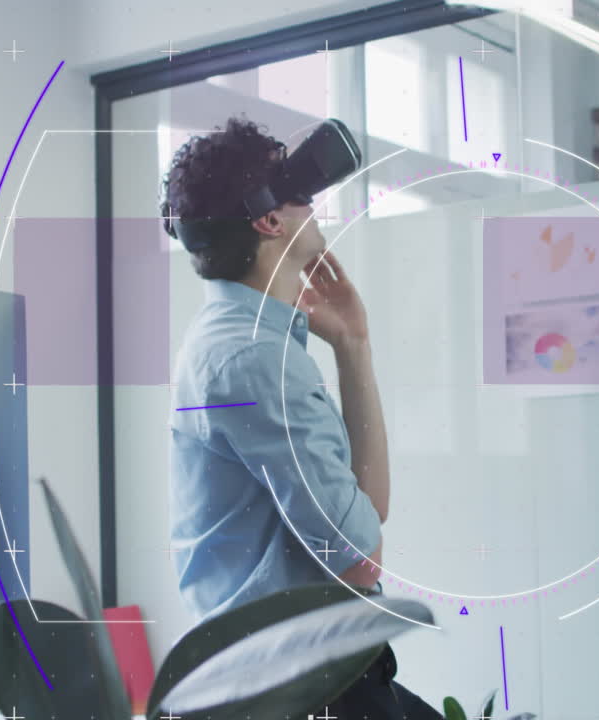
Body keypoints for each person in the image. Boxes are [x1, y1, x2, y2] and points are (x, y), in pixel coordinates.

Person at [163, 115, 443, 719]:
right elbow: (360, 553)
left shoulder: (238, 339)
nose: (311, 203)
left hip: (289, 671)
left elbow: (370, 516)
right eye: (298, 192)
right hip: (295, 683)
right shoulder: (256, 358)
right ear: (268, 220)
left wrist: (353, 345)